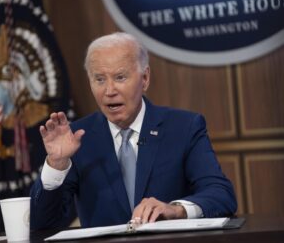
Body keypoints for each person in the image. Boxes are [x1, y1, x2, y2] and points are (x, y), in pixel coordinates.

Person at [30, 32, 237, 230]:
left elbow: (221, 195)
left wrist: (176, 210)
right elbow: (43, 224)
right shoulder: (75, 139)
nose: (109, 91)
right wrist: (56, 166)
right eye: (99, 79)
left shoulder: (184, 127)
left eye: (120, 77)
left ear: (145, 78)